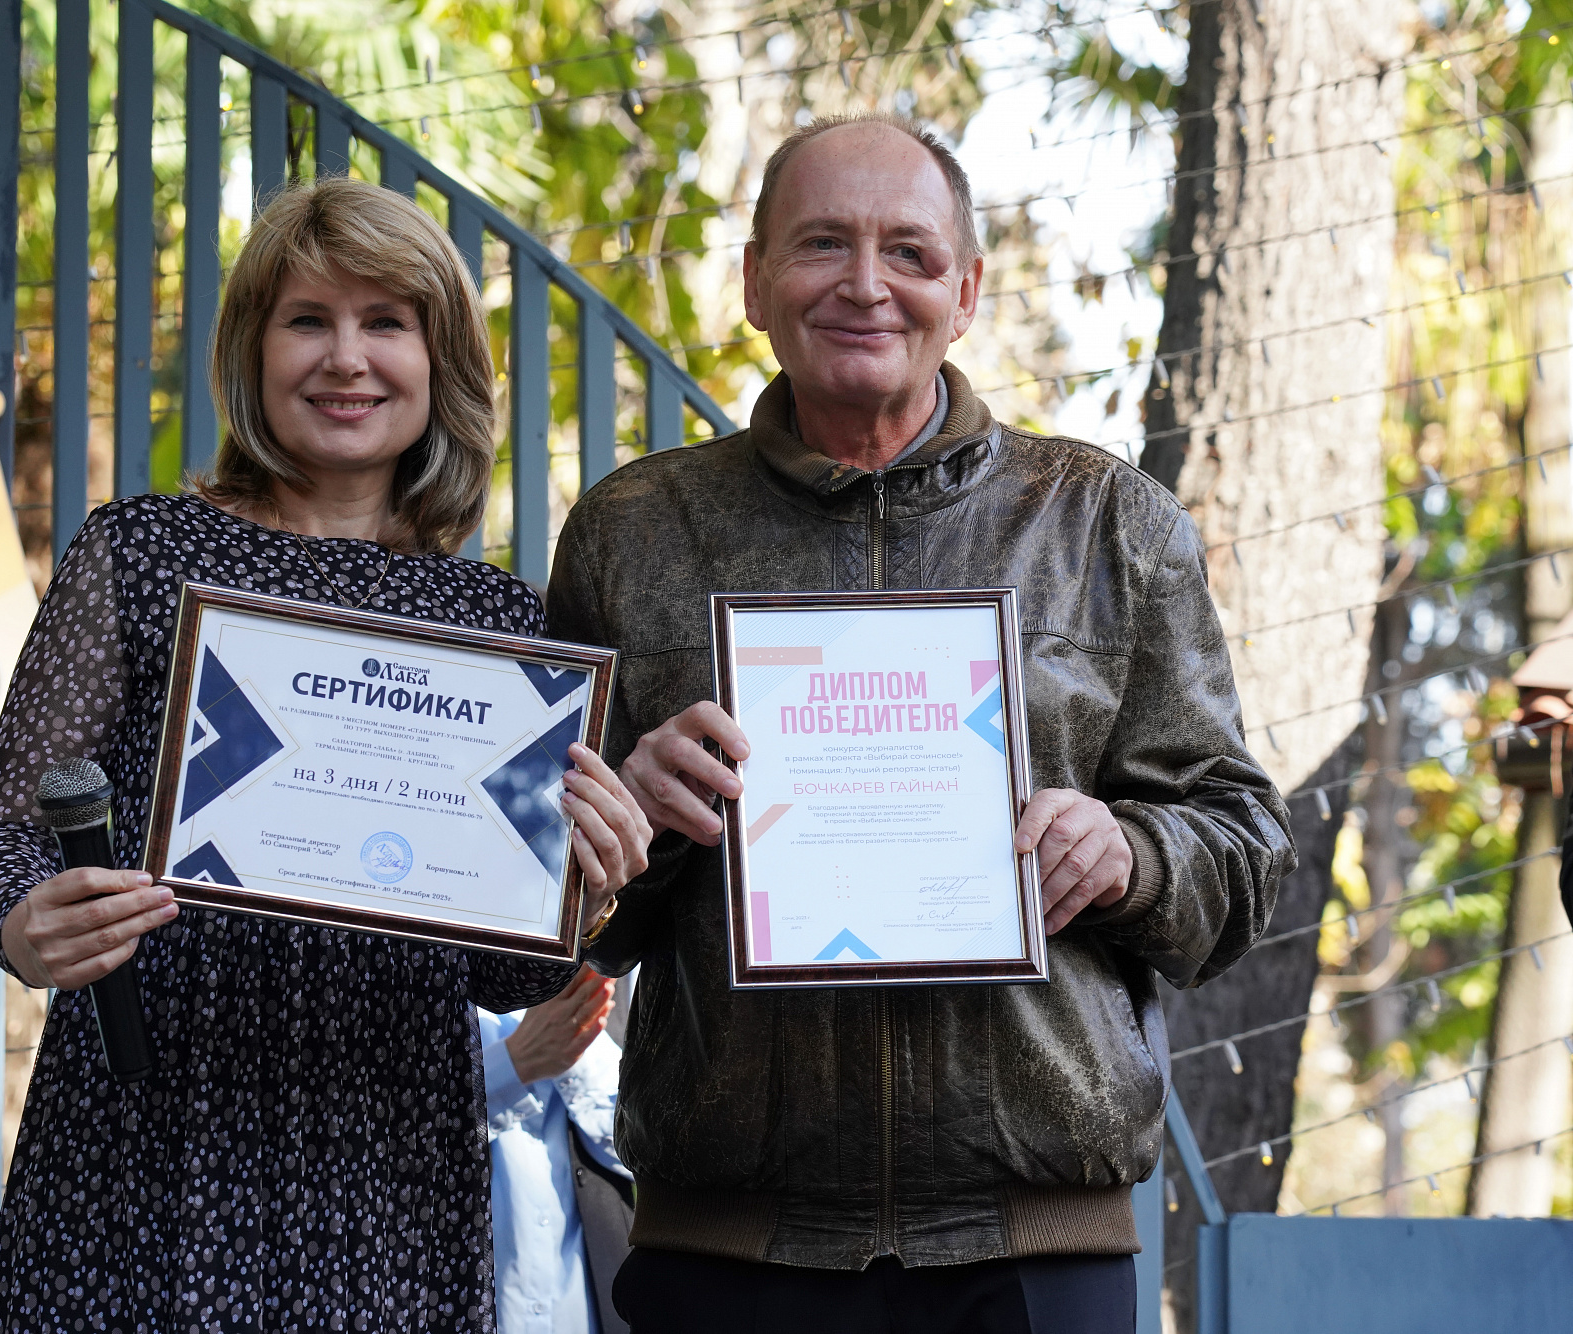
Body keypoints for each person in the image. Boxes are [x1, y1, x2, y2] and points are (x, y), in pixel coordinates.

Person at [547, 113, 1295, 1332]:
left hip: (1034, 1244)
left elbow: (1243, 853)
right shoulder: (634, 532)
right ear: (752, 282)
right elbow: (557, 917)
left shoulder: (1107, 522)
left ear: (964, 290)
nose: (863, 284)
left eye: (906, 250)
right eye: (819, 245)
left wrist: (1132, 852)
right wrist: (629, 808)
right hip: (726, 1243)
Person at [0, 175, 651, 1332]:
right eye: (307, 320)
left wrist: (578, 894)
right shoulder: (143, 552)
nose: (345, 359)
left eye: (386, 323)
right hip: (147, 1140)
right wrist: (27, 923)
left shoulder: (500, 626)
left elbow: (505, 972)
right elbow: (8, 833)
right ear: (250, 348)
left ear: (439, 364)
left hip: (386, 1165)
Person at [478, 968, 637, 1334]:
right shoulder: (413, 952)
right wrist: (514, 1065)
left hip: (591, 1309)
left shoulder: (626, 970)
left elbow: (654, 1156)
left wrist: (578, 1043)